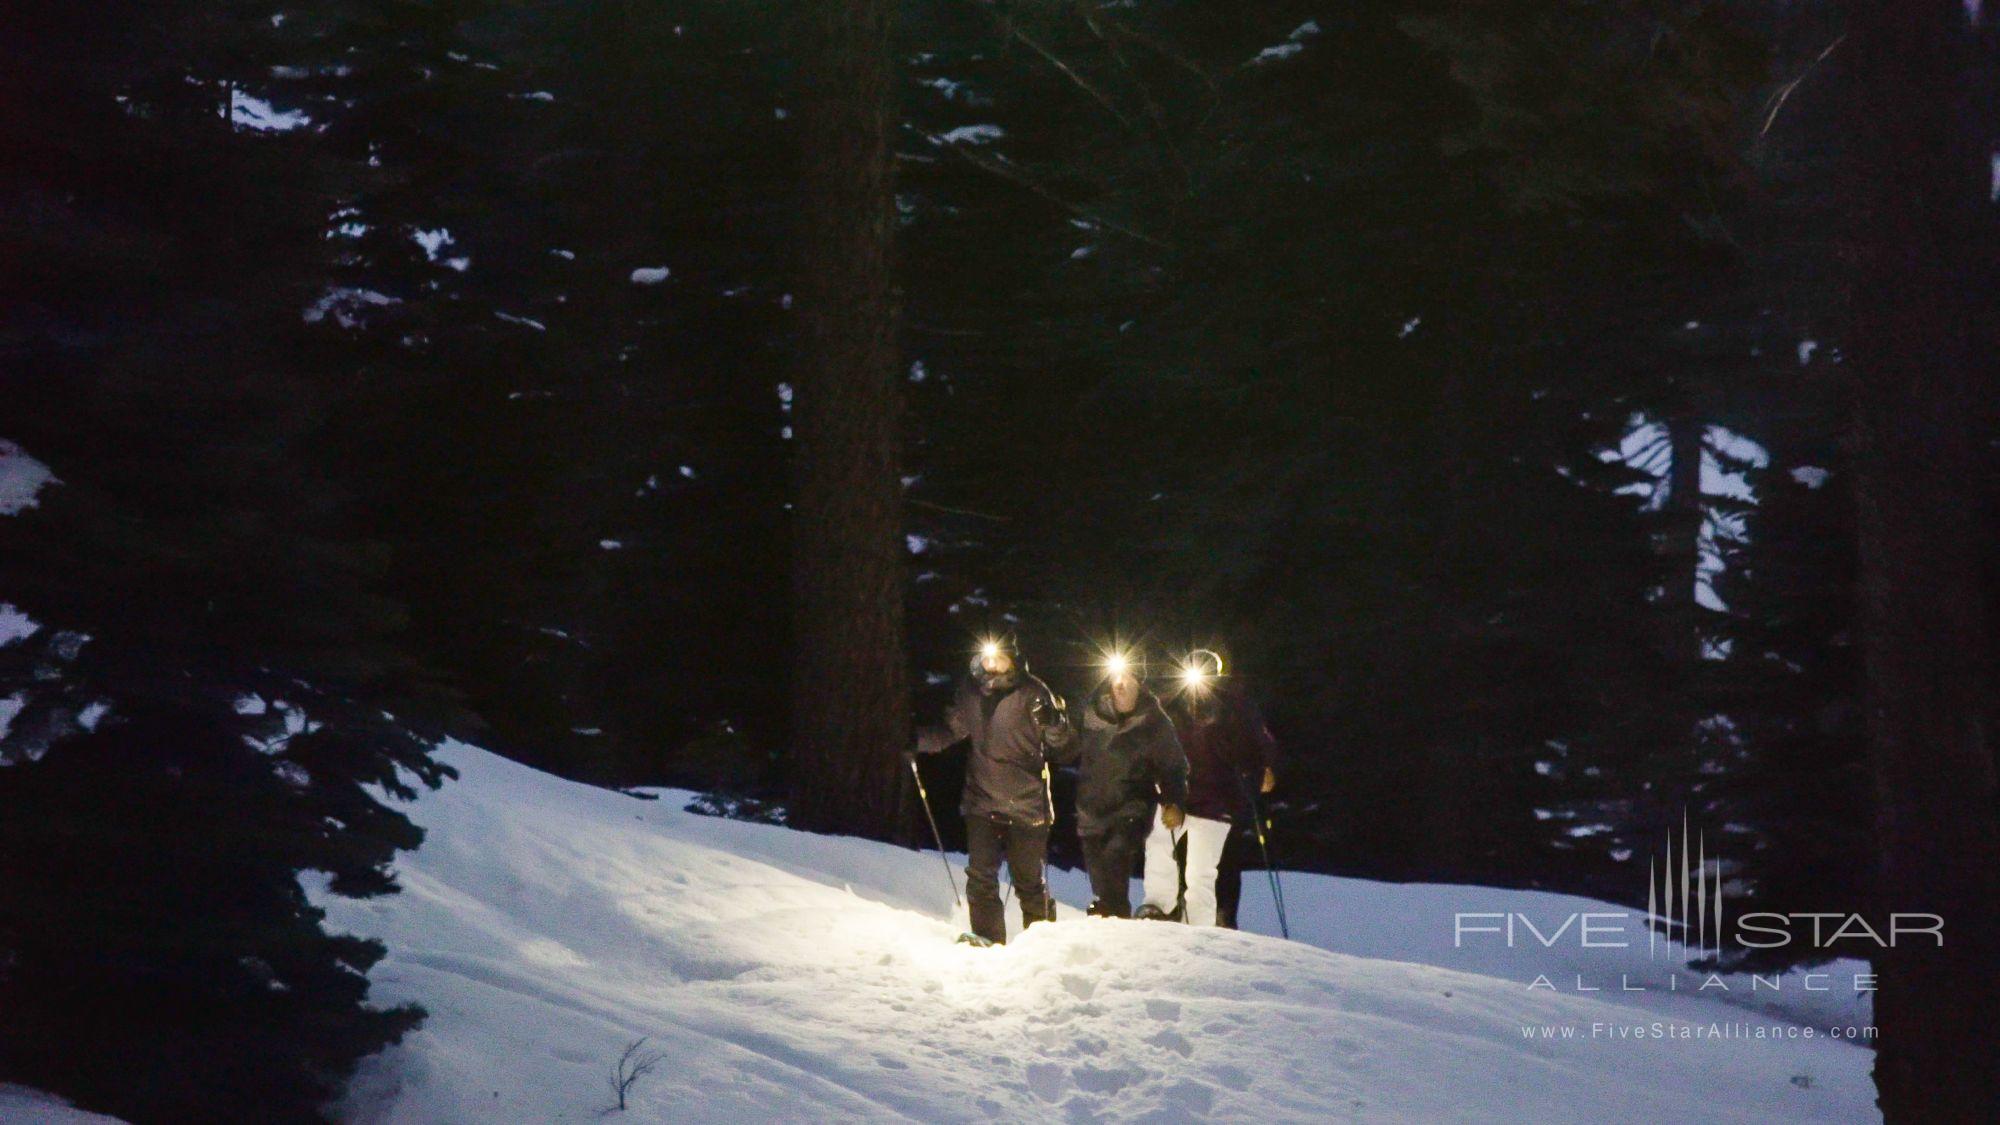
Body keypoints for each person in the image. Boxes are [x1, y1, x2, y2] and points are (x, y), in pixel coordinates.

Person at [910, 638, 1075, 945]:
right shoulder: (970, 691)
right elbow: (952, 731)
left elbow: (1062, 742)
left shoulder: (1033, 691)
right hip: (982, 801)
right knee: (981, 877)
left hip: (1027, 806)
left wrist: (1055, 722)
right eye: (987, 657)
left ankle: (1042, 943)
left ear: (1012, 658)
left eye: (999, 658)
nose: (992, 664)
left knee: (1028, 881)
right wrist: (915, 741)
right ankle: (987, 939)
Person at [1138, 652, 1279, 927]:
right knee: (1159, 848)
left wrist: (1266, 766)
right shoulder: (1170, 704)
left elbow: (1259, 739)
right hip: (1176, 797)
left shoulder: (1234, 706)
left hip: (1217, 801)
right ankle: (1158, 906)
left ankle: (1204, 922)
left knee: (1203, 870)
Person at [1071, 658, 1187, 918]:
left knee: (1116, 857)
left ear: (1139, 684)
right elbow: (1068, 745)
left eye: (1128, 679)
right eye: (1117, 678)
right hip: (1091, 807)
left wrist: (1173, 802)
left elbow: (1173, 766)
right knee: (1101, 878)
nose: (1121, 685)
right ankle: (1113, 920)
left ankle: (1110, 913)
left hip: (1131, 807)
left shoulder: (1153, 720)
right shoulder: (1092, 711)